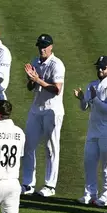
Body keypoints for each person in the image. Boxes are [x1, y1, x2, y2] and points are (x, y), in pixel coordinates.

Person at [21, 34, 66, 197]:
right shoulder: (35, 62)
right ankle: (27, 183)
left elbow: (56, 89)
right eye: (40, 45)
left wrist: (37, 79)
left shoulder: (57, 64)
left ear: (51, 46)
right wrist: (31, 80)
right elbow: (30, 87)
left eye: (45, 45)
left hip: (52, 110)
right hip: (36, 109)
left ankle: (50, 185)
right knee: (28, 145)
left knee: (51, 147)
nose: (42, 48)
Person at [74, 56, 107, 206]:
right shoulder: (92, 85)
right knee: (89, 162)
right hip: (93, 130)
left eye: (103, 67)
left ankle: (106, 195)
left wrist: (94, 100)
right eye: (98, 67)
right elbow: (84, 107)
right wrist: (82, 99)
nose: (100, 70)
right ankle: (90, 193)